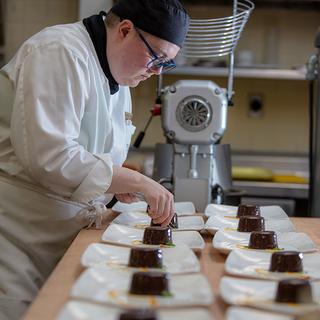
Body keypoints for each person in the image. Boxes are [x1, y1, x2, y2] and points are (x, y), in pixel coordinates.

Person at [0, 0, 190, 318]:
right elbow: (51, 157)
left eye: (166, 65)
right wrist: (136, 180)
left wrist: (114, 183)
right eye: (157, 58)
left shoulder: (118, 76)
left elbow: (93, 158)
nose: (156, 72)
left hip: (65, 236)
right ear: (126, 30)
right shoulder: (59, 51)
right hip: (19, 236)